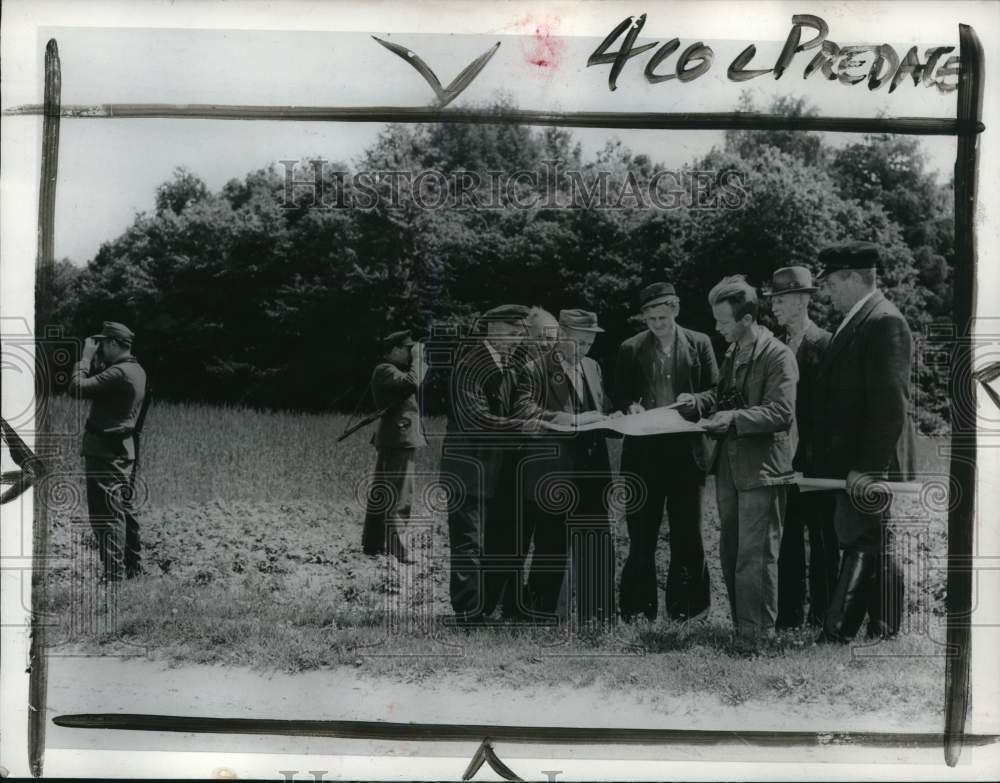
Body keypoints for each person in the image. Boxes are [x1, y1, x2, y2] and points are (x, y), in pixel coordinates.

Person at [681, 277, 797, 649]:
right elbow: (722, 395)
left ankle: (756, 637)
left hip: (763, 470)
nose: (717, 329)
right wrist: (698, 401)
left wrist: (733, 419)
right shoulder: (734, 352)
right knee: (730, 551)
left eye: (723, 322)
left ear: (747, 319)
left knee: (756, 555)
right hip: (730, 466)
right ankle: (740, 628)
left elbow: (781, 412)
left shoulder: (778, 355)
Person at [812, 241, 916, 643]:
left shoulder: (884, 321)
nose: (828, 291)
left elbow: (890, 404)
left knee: (860, 539)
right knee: (876, 538)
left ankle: (836, 633)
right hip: (857, 459)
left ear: (854, 278)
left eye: (833, 282)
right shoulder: (865, 318)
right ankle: (885, 626)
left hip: (870, 461)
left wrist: (869, 467)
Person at [614, 282, 718, 623]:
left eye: (663, 316)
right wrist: (629, 407)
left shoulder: (700, 343)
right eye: (651, 318)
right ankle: (637, 611)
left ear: (675, 310)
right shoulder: (630, 349)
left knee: (687, 534)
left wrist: (696, 400)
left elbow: (717, 391)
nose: (658, 324)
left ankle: (688, 610)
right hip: (643, 455)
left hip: (687, 454)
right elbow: (619, 396)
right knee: (641, 534)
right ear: (643, 317)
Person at [513, 309, 619, 626]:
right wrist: (571, 421)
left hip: (593, 471)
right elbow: (524, 412)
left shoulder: (593, 367)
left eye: (588, 344)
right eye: (578, 342)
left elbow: (602, 410)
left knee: (596, 541)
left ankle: (597, 616)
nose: (583, 349)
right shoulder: (535, 369)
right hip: (553, 472)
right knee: (551, 545)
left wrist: (624, 416)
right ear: (560, 334)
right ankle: (541, 614)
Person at [439, 304, 530, 626]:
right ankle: (467, 614)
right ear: (490, 328)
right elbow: (475, 418)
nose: (518, 337)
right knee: (469, 543)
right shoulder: (470, 363)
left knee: (493, 542)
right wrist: (523, 426)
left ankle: (485, 607)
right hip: (468, 470)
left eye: (521, 331)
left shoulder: (506, 365)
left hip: (493, 471)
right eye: (512, 330)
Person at [766, 266, 839, 630]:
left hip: (818, 463)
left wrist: (818, 458)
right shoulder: (773, 347)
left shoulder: (826, 344)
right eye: (774, 300)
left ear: (801, 300)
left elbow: (831, 411)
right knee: (787, 539)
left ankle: (824, 616)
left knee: (824, 540)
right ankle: (789, 617)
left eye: (780, 299)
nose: (775, 307)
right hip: (782, 461)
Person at [68, 321, 148, 583]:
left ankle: (113, 578)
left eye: (103, 343)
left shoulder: (119, 373)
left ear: (114, 343)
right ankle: (133, 570)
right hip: (120, 451)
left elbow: (76, 388)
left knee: (106, 516)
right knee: (124, 510)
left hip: (106, 452)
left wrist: (85, 358)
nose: (99, 347)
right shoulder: (134, 370)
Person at [361, 329, 428, 563]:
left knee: (383, 491)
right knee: (400, 493)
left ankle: (374, 544)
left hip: (395, 437)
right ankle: (398, 549)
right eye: (407, 349)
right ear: (395, 350)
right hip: (398, 438)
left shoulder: (392, 371)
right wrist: (419, 358)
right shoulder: (385, 370)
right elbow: (413, 382)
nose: (411, 353)